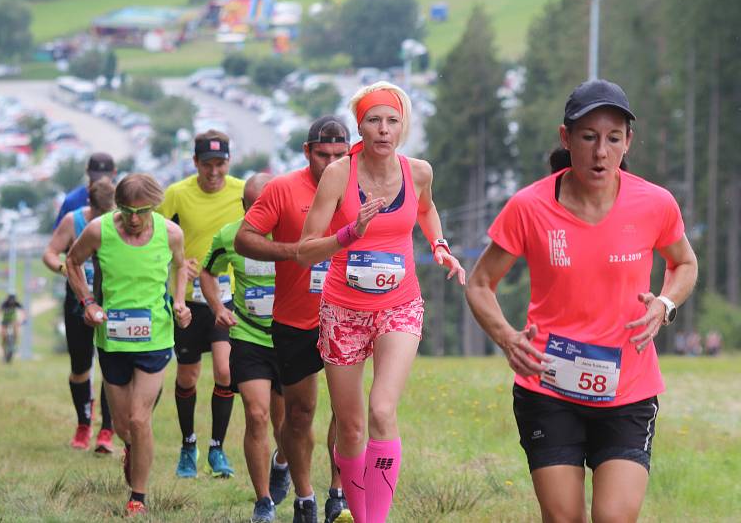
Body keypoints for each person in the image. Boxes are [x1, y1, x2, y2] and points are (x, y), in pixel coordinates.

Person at [465, 79, 698, 523]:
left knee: (613, 516)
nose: (601, 152)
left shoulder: (655, 203)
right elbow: (479, 284)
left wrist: (663, 305)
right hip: (548, 388)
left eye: (613, 138)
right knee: (564, 518)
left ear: (628, 141)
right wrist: (508, 338)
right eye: (588, 138)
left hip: (628, 388)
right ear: (565, 138)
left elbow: (685, 263)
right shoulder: (528, 207)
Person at [297, 84, 465, 523]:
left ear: (403, 126)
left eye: (392, 121)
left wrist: (441, 244)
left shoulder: (419, 172)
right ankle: (357, 510)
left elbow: (426, 211)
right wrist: (350, 233)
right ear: (360, 125)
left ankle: (375, 521)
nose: (383, 129)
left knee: (382, 410)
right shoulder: (339, 174)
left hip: (399, 305)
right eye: (374, 120)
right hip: (343, 311)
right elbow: (304, 249)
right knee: (351, 427)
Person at [236, 115, 356, 523]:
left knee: (346, 412)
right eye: (323, 155)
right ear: (308, 153)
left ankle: (337, 493)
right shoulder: (283, 189)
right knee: (299, 413)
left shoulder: (363, 185)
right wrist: (295, 252)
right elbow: (245, 239)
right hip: (295, 320)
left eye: (341, 155)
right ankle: (304, 496)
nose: (332, 162)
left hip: (349, 318)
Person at [66, 173, 191, 516]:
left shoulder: (170, 233)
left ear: (155, 206)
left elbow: (182, 267)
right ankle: (132, 451)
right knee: (123, 427)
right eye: (126, 211)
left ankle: (139, 496)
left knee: (139, 419)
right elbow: (72, 262)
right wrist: (88, 302)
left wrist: (180, 303)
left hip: (156, 337)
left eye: (142, 211)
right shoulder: (99, 231)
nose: (134, 219)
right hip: (113, 340)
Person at [202, 173, 290, 523]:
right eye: (253, 208)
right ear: (244, 207)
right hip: (249, 336)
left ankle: (281, 462)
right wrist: (218, 308)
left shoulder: (297, 230)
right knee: (256, 415)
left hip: (290, 338)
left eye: (266, 207)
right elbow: (208, 272)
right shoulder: (230, 235)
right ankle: (264, 500)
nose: (260, 214)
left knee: (290, 426)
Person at [159, 129, 245, 479]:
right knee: (188, 376)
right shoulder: (177, 194)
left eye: (220, 164)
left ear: (228, 162)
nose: (214, 172)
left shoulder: (241, 192)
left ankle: (217, 449)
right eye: (207, 164)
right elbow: (155, 236)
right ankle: (188, 444)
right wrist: (179, 261)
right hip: (188, 300)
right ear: (195, 163)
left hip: (227, 297)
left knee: (225, 371)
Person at [43, 177, 116, 452]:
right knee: (80, 367)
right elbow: (49, 253)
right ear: (91, 205)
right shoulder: (72, 221)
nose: (101, 220)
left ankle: (107, 430)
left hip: (112, 303)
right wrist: (65, 268)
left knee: (113, 368)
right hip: (77, 303)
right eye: (98, 214)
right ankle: (84, 423)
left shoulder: (120, 222)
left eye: (107, 214)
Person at [53, 152, 116, 229]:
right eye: (96, 179)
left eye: (104, 180)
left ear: (114, 173)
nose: (99, 183)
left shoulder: (121, 200)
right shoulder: (72, 201)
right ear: (87, 172)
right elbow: (59, 234)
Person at [0, 293, 25, 363]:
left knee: (16, 329)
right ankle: (4, 353)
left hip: (13, 321)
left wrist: (23, 320)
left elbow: (23, 312)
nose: (12, 303)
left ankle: (15, 343)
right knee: (3, 335)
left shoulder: (17, 303)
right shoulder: (4, 304)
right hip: (4, 321)